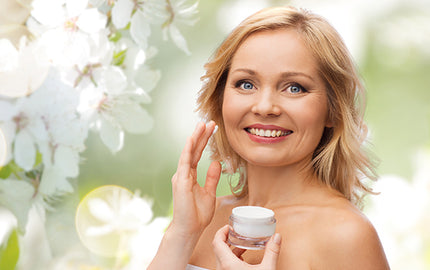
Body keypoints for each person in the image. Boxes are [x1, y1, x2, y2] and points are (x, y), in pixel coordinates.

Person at [148, 6, 390, 270]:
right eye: (246, 84)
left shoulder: (346, 234)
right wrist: (181, 234)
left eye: (294, 88)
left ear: (332, 110)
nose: (264, 107)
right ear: (221, 100)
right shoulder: (200, 220)